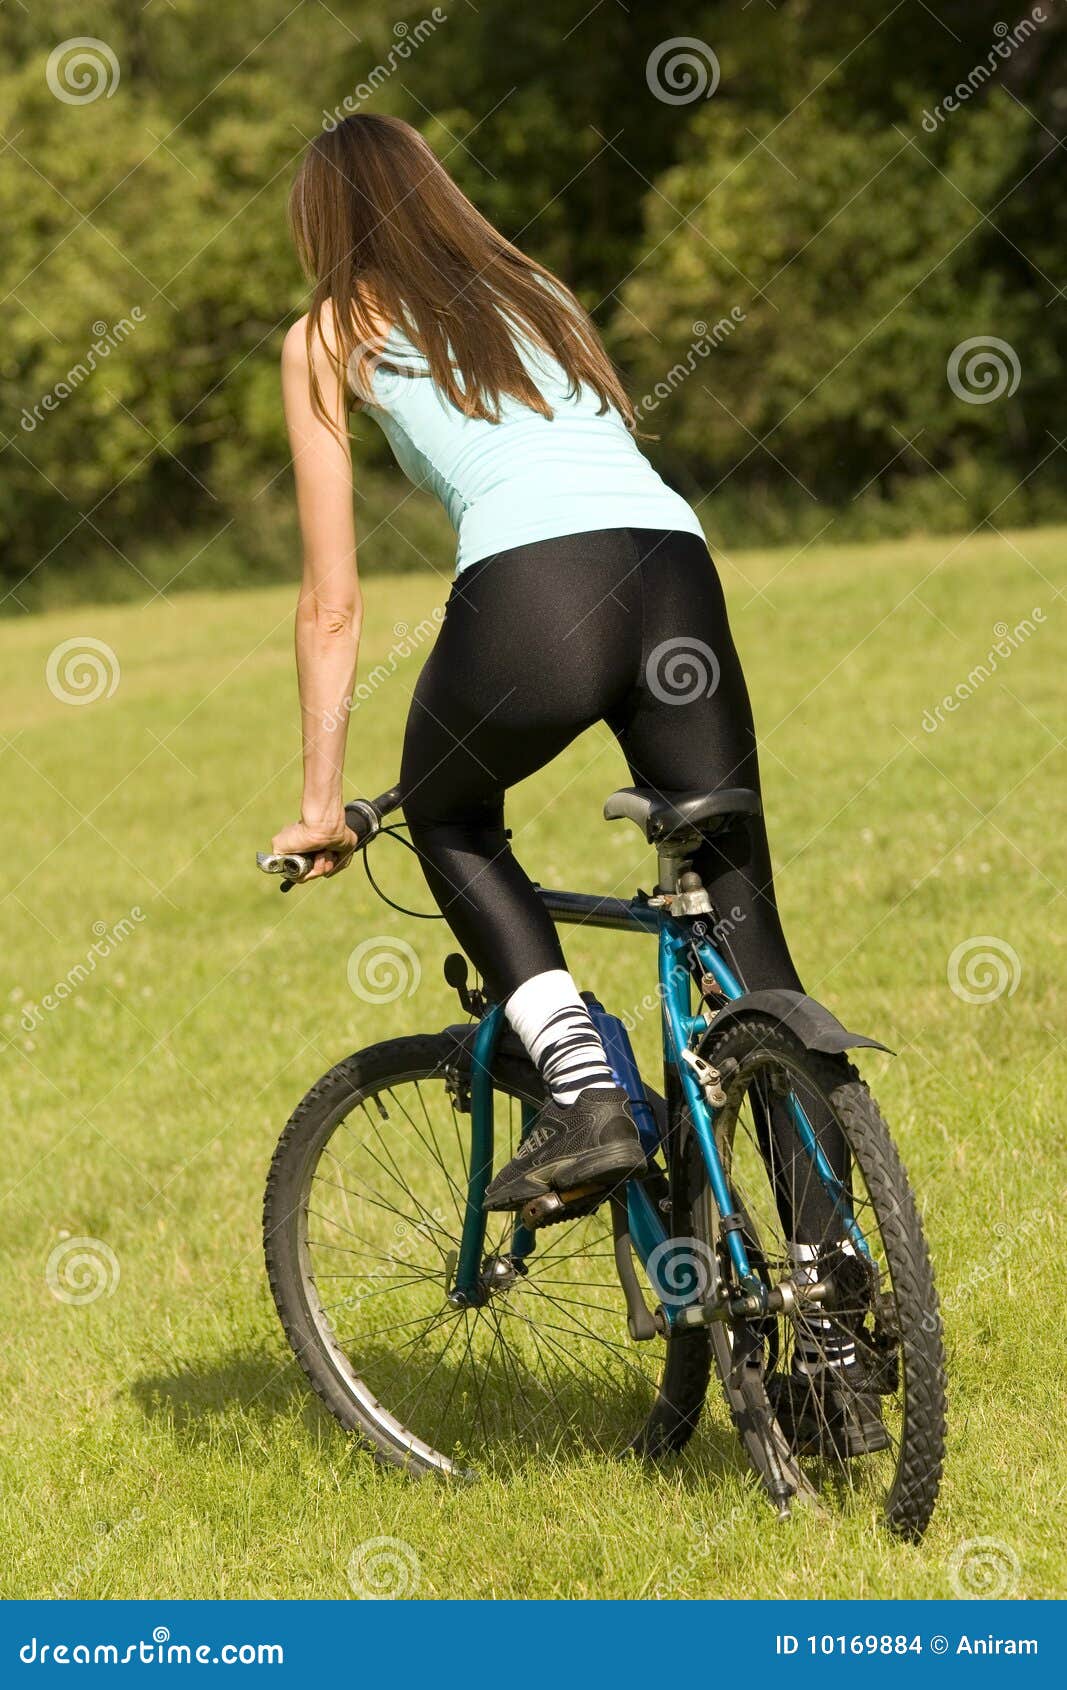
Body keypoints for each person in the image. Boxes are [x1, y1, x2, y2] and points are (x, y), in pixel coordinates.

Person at [268, 114, 885, 1453]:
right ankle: (840, 1328)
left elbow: (332, 602)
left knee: (448, 815)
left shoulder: (324, 334)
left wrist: (326, 801)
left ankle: (581, 1077)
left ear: (324, 224)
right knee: (745, 927)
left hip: (533, 592)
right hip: (673, 572)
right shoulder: (532, 289)